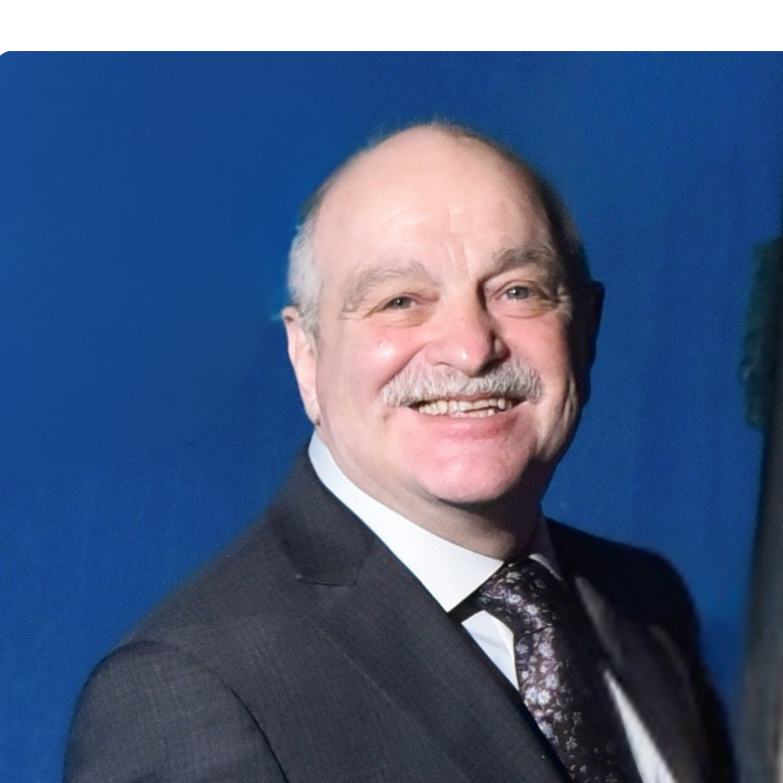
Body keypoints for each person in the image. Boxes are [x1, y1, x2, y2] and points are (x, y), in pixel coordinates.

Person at [64, 123, 733, 783]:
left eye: (517, 290)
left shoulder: (644, 598)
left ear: (585, 329)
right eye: (400, 301)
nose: (470, 349)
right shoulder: (188, 693)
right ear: (306, 355)